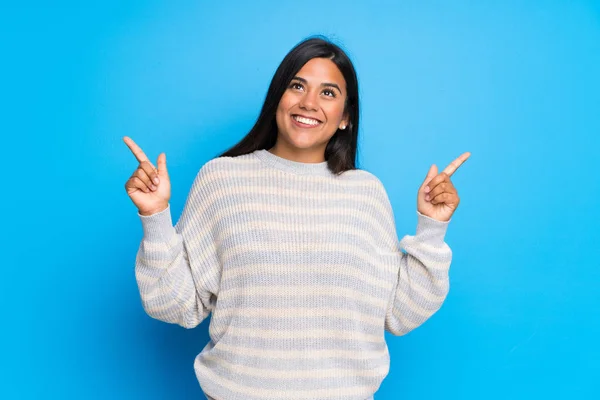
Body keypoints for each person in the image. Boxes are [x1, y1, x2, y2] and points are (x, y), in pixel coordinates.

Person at [123, 36, 470, 400]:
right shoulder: (221, 181)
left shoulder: (365, 193)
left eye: (328, 93)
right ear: (278, 97)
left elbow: (400, 312)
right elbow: (174, 303)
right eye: (297, 86)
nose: (308, 103)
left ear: (346, 117)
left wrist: (432, 228)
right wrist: (155, 216)